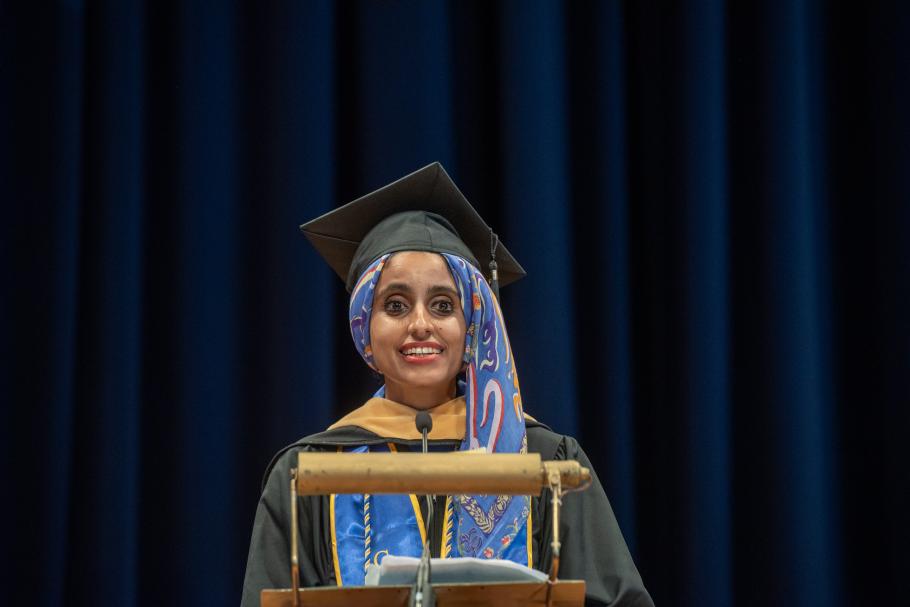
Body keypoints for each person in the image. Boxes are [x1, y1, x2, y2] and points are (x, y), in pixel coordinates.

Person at [241, 163, 654, 607]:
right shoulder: (308, 472)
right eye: (395, 305)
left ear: (472, 323)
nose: (420, 325)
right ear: (364, 326)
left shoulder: (544, 462)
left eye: (443, 305)